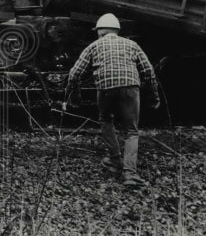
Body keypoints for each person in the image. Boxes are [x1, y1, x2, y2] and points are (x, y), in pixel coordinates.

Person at [66, 14, 160, 187]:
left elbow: (74, 74)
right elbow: (149, 71)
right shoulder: (132, 45)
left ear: (100, 31)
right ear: (117, 31)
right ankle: (130, 174)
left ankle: (115, 159)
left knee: (105, 120)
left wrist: (74, 95)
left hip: (105, 88)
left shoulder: (94, 46)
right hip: (130, 87)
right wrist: (154, 96)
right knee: (131, 131)